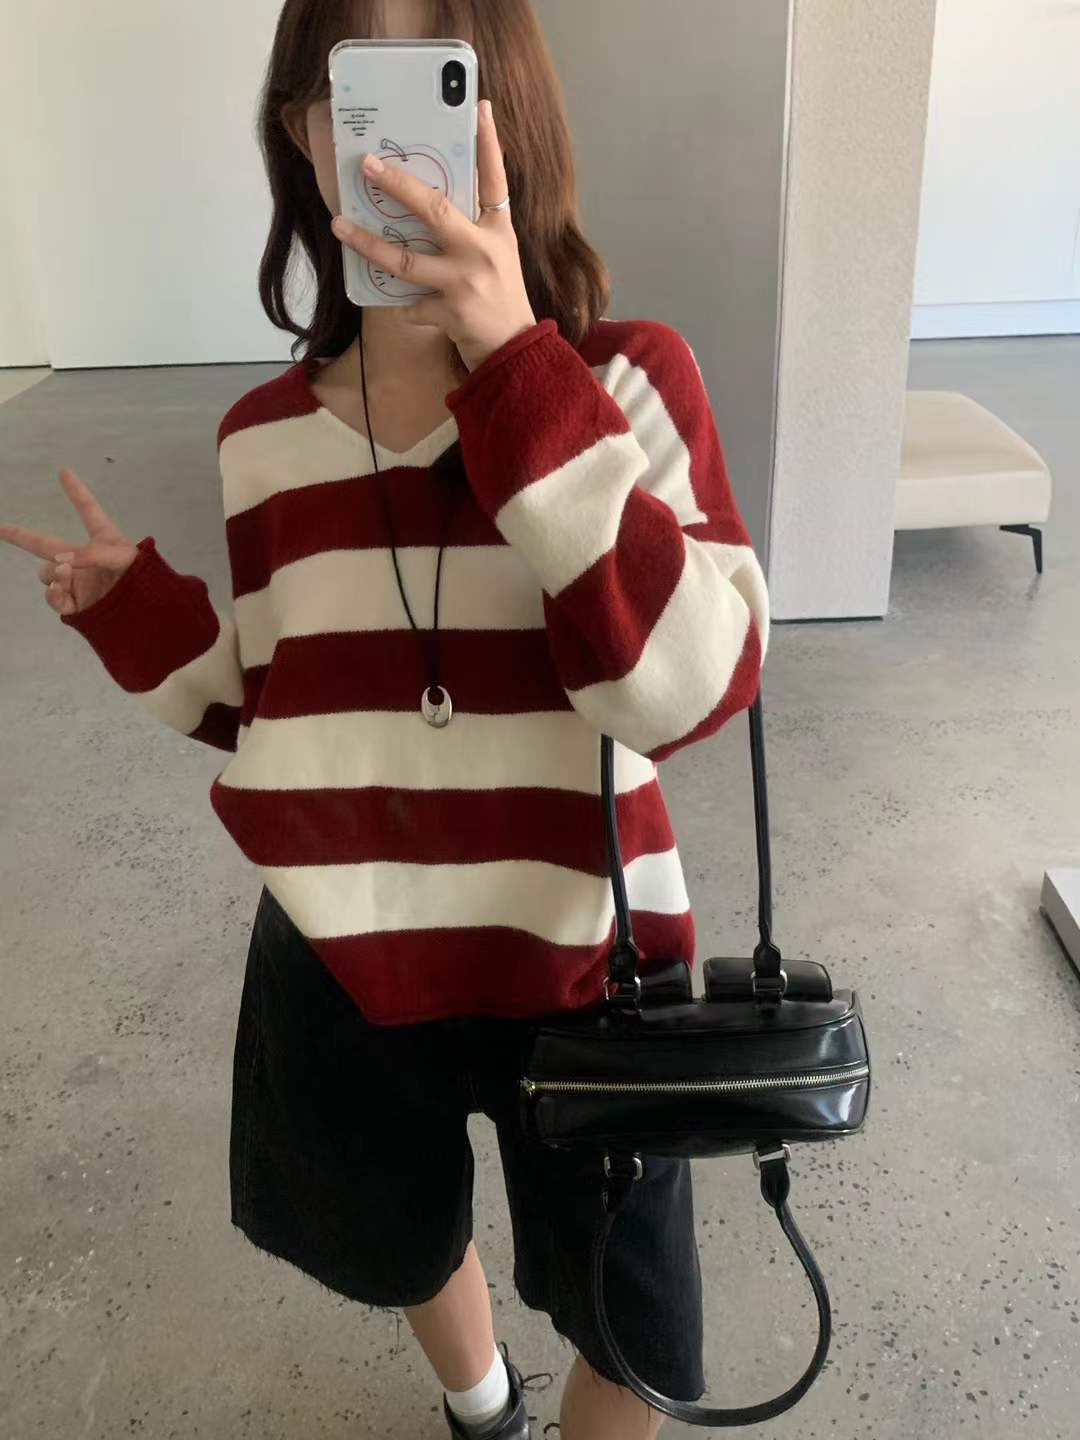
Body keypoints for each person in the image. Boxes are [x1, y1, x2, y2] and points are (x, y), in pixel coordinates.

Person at [0, 1, 770, 1435]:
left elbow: (685, 689)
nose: (390, 139)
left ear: (504, 108)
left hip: (581, 950)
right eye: (350, 85)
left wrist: (519, 369)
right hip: (344, 955)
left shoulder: (624, 381)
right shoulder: (262, 439)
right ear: (300, 132)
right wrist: (141, 617)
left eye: (437, 79)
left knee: (635, 1321)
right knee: (400, 1234)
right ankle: (482, 1410)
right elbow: (285, 710)